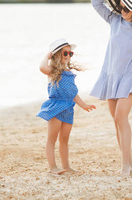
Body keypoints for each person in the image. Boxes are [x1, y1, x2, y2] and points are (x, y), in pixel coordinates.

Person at [90, 0, 132, 176]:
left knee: (120, 118)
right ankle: (127, 164)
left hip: (128, 77)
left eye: (127, 8)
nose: (123, 11)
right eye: (121, 7)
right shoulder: (114, 20)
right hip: (110, 76)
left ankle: (126, 166)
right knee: (116, 121)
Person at [37, 38, 96, 175]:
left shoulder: (69, 73)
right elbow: (41, 67)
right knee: (52, 139)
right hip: (56, 107)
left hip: (69, 108)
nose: (68, 56)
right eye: (65, 53)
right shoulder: (52, 70)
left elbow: (73, 93)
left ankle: (66, 166)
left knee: (64, 140)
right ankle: (53, 168)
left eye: (71, 54)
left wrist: (83, 105)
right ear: (57, 55)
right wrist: (47, 55)